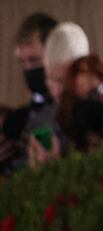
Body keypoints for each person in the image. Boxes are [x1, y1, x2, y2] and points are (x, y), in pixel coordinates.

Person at [0, 13, 58, 174]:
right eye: (22, 62)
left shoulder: (68, 109)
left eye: (34, 60)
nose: (28, 69)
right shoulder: (26, 115)